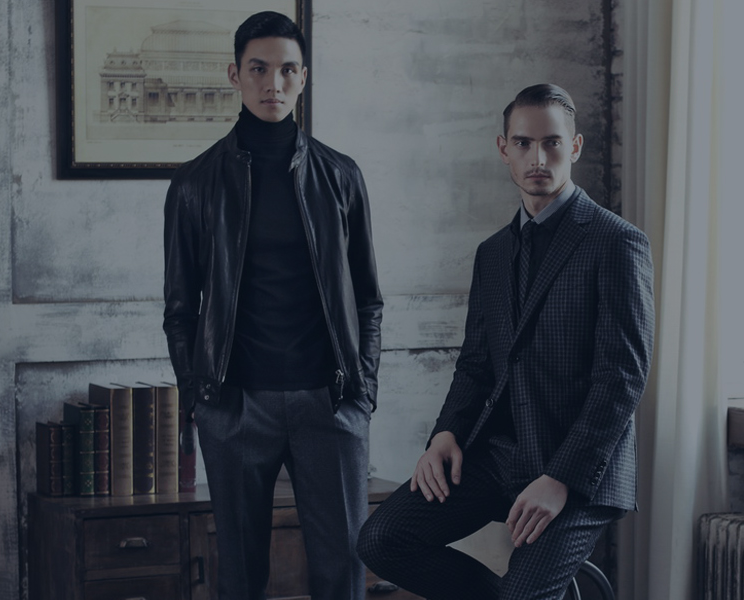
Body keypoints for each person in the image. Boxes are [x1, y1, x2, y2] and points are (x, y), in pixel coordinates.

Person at [356, 83, 654, 600]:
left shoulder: (616, 241)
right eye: (523, 143)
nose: (538, 158)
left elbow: (621, 380)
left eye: (552, 143)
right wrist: (445, 434)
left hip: (579, 469)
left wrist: (560, 478)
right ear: (504, 149)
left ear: (574, 147)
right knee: (382, 539)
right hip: (499, 458)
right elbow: (476, 365)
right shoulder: (492, 253)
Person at [161, 11, 382, 600]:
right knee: (240, 579)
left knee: (342, 577)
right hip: (236, 408)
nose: (273, 84)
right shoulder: (194, 184)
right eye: (258, 69)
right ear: (235, 75)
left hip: (330, 404)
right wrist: (200, 399)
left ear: (303, 77)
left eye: (287, 70)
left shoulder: (341, 176)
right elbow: (180, 310)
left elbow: (368, 300)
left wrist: (362, 394)